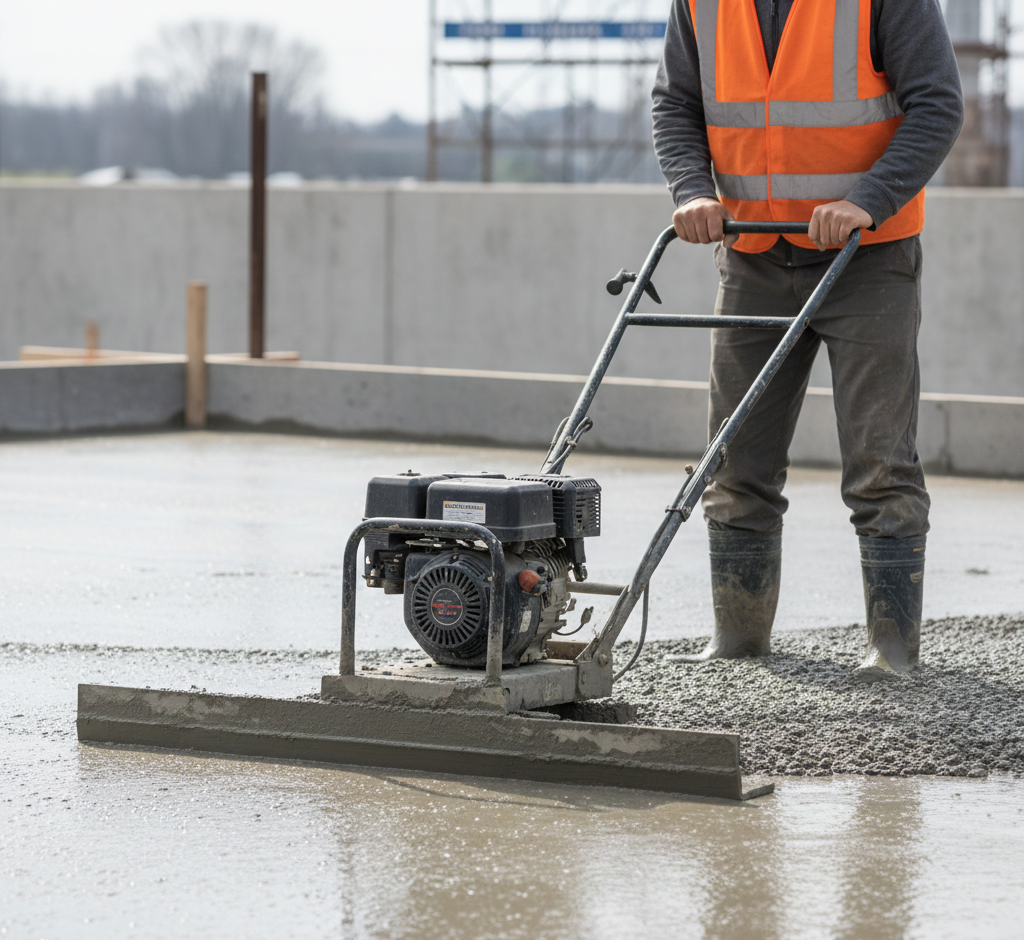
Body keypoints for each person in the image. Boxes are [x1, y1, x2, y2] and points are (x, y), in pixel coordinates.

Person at [652, 0, 964, 679]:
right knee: (734, 462)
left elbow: (937, 104)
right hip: (752, 252)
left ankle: (893, 650)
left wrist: (869, 199)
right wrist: (691, 188)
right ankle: (739, 640)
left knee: (880, 464)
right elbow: (675, 102)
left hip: (867, 255)